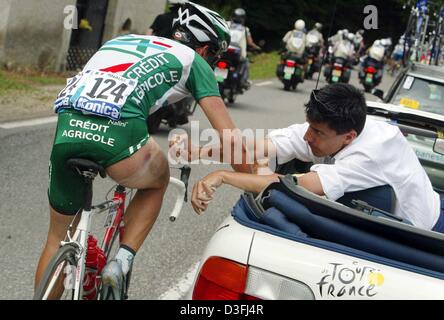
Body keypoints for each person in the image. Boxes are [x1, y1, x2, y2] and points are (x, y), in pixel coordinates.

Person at [35, 2, 252, 299]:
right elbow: (230, 138)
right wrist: (255, 185)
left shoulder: (120, 41)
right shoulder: (194, 60)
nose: (213, 62)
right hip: (119, 137)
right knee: (157, 182)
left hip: (68, 131)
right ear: (205, 49)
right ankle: (120, 263)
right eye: (216, 54)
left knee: (57, 238)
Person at [190, 83, 444, 233]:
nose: (308, 137)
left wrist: (222, 176)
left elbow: (297, 185)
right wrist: (203, 153)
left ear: (348, 137)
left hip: (429, 231)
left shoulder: (369, 156)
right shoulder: (332, 129)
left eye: (318, 132)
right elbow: (257, 147)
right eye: (309, 126)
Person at [227, 7, 261, 90]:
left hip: (224, 50)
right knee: (245, 62)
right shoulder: (245, 29)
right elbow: (250, 42)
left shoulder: (227, 24)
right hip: (237, 54)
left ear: (233, 16)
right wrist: (257, 47)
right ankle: (244, 82)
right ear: (243, 18)